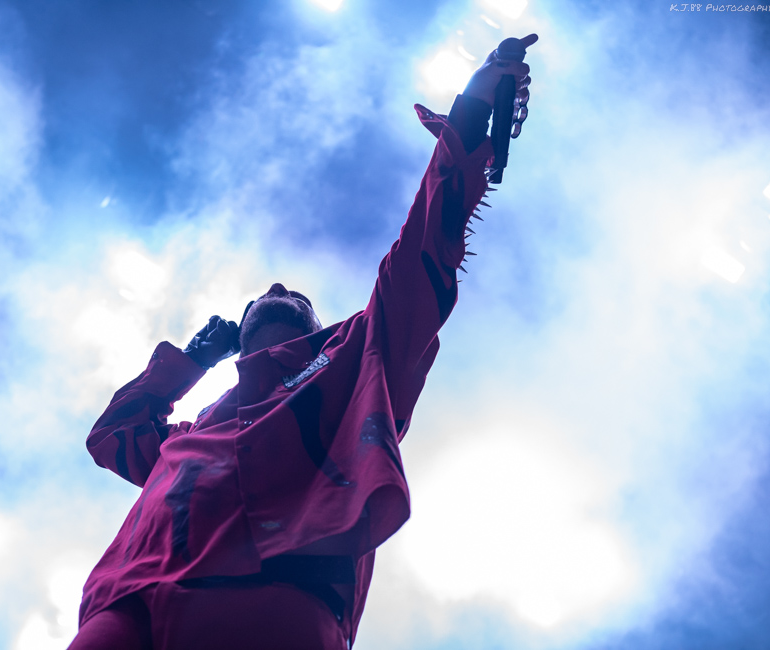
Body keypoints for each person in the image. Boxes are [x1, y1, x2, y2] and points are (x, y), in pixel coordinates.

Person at [70, 34, 538, 650]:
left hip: (281, 600)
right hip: (130, 609)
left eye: (295, 296)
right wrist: (190, 362)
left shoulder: (353, 360)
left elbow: (420, 254)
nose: (276, 286)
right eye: (263, 295)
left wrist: (472, 110)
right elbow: (113, 435)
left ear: (316, 329)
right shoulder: (187, 437)